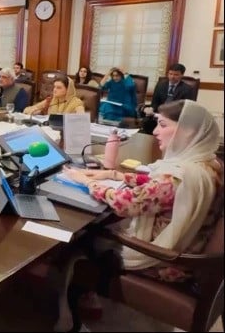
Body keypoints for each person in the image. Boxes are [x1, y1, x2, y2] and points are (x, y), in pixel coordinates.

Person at [53, 100, 223, 331]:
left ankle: (67, 315)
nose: (155, 131)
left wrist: (86, 180)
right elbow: (158, 185)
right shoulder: (208, 162)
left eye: (162, 125)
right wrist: (113, 174)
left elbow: (125, 204)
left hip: (168, 261)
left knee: (79, 239)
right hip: (192, 244)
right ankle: (88, 296)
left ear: (188, 130)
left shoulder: (178, 177)